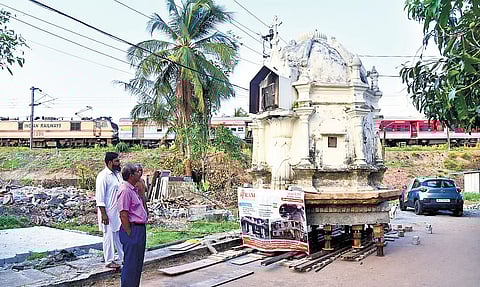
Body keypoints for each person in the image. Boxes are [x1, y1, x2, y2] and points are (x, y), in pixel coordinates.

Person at [118, 164, 148, 287]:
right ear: (130, 176)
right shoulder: (125, 191)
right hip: (132, 228)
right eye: (137, 172)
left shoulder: (134, 190)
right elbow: (123, 214)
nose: (139, 174)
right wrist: (129, 232)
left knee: (137, 263)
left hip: (139, 229)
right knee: (131, 263)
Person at [95, 152, 124, 269]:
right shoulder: (103, 176)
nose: (119, 163)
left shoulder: (117, 175)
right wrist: (104, 215)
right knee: (108, 236)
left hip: (117, 211)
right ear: (110, 162)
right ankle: (109, 260)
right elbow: (100, 198)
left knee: (118, 235)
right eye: (117, 161)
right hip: (107, 212)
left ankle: (123, 257)